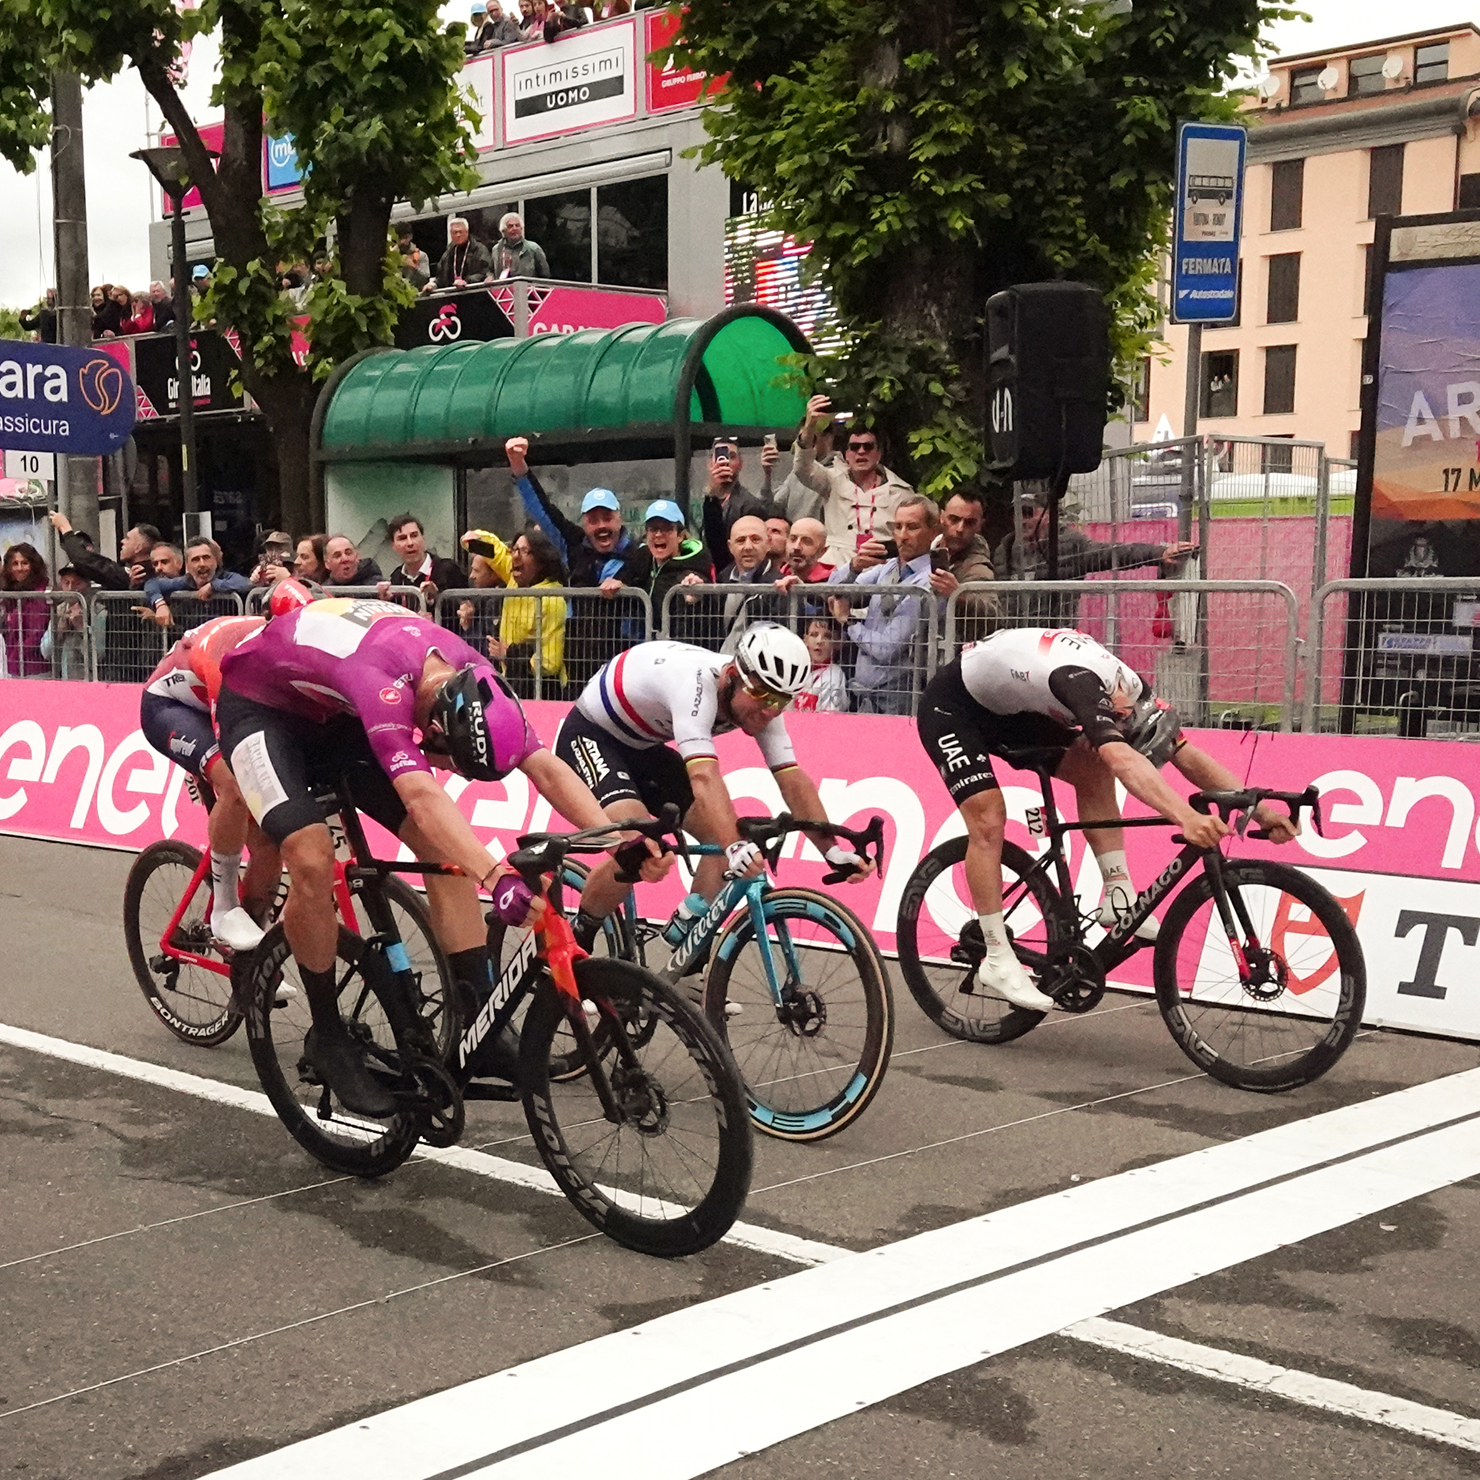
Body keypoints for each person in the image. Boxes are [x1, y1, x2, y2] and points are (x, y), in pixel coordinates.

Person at [216, 596, 669, 1113]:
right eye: (454, 764)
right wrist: (495, 877)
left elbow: (545, 767)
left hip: (334, 710)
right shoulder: (382, 686)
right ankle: (327, 1035)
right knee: (312, 858)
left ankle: (479, 1023)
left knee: (445, 852)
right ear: (433, 732)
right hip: (259, 708)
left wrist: (619, 838)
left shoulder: (473, 676)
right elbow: (421, 796)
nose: (450, 772)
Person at [916, 626, 1299, 1011]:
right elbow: (1123, 761)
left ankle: (1118, 894)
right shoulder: (1081, 685)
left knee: (1093, 767)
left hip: (1014, 708)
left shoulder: (1133, 691)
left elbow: (1183, 753)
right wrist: (1184, 817)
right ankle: (997, 957)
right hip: (954, 709)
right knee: (988, 820)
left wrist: (1263, 812)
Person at [554, 625, 870, 952]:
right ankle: (577, 937)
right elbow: (704, 777)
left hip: (643, 747)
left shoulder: (762, 699)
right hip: (591, 735)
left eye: (780, 700)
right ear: (731, 676)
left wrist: (831, 850)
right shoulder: (693, 685)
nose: (770, 711)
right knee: (639, 848)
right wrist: (735, 848)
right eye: (763, 696)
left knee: (724, 837)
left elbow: (792, 779)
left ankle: (687, 944)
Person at [139, 610, 281, 951]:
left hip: (219, 700)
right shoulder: (229, 657)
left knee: (269, 841)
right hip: (170, 707)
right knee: (235, 784)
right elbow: (233, 742)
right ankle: (224, 908)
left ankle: (251, 954)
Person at [507, 436, 636, 685]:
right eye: (593, 520)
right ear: (584, 524)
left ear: (619, 520)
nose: (601, 526)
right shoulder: (574, 544)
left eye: (607, 518)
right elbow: (543, 510)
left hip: (623, 670)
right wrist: (519, 466)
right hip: (579, 670)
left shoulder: (639, 553)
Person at [994, 495, 1199, 627]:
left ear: (1047, 515)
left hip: (1055, 639)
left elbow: (1113, 553)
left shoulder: (1070, 543)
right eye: (1016, 514)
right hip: (1013, 640)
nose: (1021, 519)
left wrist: (1159, 553)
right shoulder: (1005, 548)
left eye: (1028, 513)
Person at [826, 495, 939, 714]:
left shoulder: (930, 580)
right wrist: (854, 566)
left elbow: (887, 649)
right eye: (898, 527)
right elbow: (832, 590)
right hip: (866, 697)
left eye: (912, 527)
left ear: (933, 531)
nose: (903, 536)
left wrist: (849, 622)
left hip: (900, 701)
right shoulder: (888, 567)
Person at [791, 395, 915, 569]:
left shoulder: (901, 491)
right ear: (846, 454)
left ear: (879, 453)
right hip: (836, 567)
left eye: (868, 447)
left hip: (881, 568)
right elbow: (802, 468)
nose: (861, 452)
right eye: (855, 447)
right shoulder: (831, 480)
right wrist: (809, 426)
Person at [458, 526, 570, 696]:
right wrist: (476, 537)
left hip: (542, 690)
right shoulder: (513, 578)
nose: (516, 556)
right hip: (511, 681)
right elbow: (480, 547)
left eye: (525, 551)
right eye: (515, 549)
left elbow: (550, 663)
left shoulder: (552, 600)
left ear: (541, 562)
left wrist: (509, 654)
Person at [605, 500, 712, 640]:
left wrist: (696, 599)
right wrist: (616, 585)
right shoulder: (641, 558)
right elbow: (622, 581)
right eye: (653, 529)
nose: (658, 534)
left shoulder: (694, 567)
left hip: (680, 645)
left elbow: (703, 618)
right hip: (644, 643)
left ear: (680, 536)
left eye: (667, 529)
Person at [931, 488, 998, 643]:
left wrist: (959, 595)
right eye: (954, 519)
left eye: (969, 522)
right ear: (941, 517)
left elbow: (993, 613)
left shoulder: (977, 565)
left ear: (980, 525)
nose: (960, 528)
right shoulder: (926, 541)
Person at [145, 538, 252, 631]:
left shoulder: (226, 577)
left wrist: (213, 586)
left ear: (216, 561)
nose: (202, 564)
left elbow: (246, 583)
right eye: (195, 559)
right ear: (187, 565)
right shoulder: (186, 581)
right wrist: (160, 605)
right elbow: (152, 584)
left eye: (206, 558)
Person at [699, 438, 770, 571]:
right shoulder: (704, 499)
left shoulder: (750, 504)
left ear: (740, 464)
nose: (725, 462)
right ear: (710, 464)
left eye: (731, 457)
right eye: (720, 457)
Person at [47, 512, 159, 590]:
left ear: (139, 547)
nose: (122, 541)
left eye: (128, 538)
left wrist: (65, 529)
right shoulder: (135, 572)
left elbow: (87, 561)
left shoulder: (140, 574)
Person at [388, 513, 463, 603]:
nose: (410, 543)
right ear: (393, 546)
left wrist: (436, 596)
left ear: (423, 539)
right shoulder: (396, 578)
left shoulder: (448, 569)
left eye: (414, 536)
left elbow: (466, 605)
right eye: (402, 538)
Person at [1, 542, 50, 677]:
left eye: (24, 563)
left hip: (35, 669)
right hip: (15, 667)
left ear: (33, 565)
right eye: (15, 564)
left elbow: (35, 634)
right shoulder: (9, 593)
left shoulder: (38, 594)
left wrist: (14, 658)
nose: (20, 568)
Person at [793, 617, 848, 714]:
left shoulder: (834, 675)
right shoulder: (796, 670)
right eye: (814, 635)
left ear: (836, 643)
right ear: (805, 640)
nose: (819, 641)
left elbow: (827, 718)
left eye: (827, 636)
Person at [423, 217, 493, 292]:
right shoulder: (448, 253)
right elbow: (440, 277)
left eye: (460, 232)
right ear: (451, 234)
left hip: (475, 293)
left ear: (467, 232)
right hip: (452, 295)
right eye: (455, 232)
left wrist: (467, 281)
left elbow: (486, 273)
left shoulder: (480, 250)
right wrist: (432, 285)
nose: (458, 235)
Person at [49, 565, 93, 680]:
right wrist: (58, 631)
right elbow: (45, 652)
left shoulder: (97, 611)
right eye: (66, 583)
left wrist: (81, 628)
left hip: (88, 681)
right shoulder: (60, 609)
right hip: (64, 680)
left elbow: (98, 655)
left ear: (87, 585)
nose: (71, 588)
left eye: (77, 583)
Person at [489, 212, 551, 280]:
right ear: (503, 230)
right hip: (503, 286)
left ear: (521, 228)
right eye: (510, 226)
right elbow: (491, 271)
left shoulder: (533, 248)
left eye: (517, 225)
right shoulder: (496, 249)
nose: (514, 228)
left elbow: (545, 275)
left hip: (528, 287)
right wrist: (490, 277)